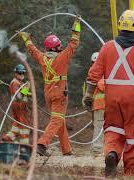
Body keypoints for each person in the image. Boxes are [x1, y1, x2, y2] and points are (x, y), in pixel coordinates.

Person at [82, 10, 134, 176]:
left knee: (113, 129)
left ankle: (112, 152)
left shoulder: (107, 47)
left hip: (112, 97)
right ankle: (132, 173)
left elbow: (94, 74)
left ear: (120, 25)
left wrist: (88, 94)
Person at [17, 15, 81, 156]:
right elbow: (73, 43)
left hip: (48, 92)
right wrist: (77, 25)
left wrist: (26, 38)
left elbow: (32, 50)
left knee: (59, 120)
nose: (61, 46)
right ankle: (42, 144)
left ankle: (66, 149)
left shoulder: (42, 57)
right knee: (57, 119)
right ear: (54, 47)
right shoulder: (62, 57)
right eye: (59, 45)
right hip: (59, 92)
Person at [2, 64, 31, 144]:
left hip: (19, 106)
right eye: (19, 73)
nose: (21, 75)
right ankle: (24, 145)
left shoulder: (18, 82)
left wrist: (28, 93)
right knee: (24, 125)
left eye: (22, 73)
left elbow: (20, 93)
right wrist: (26, 88)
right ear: (15, 73)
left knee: (17, 124)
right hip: (19, 107)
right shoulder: (15, 82)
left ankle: (8, 137)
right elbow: (18, 96)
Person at [89, 52, 105, 155]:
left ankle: (98, 149)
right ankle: (97, 149)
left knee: (100, 127)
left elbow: (102, 85)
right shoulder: (93, 72)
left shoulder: (105, 73)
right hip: (98, 105)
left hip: (104, 105)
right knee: (99, 126)